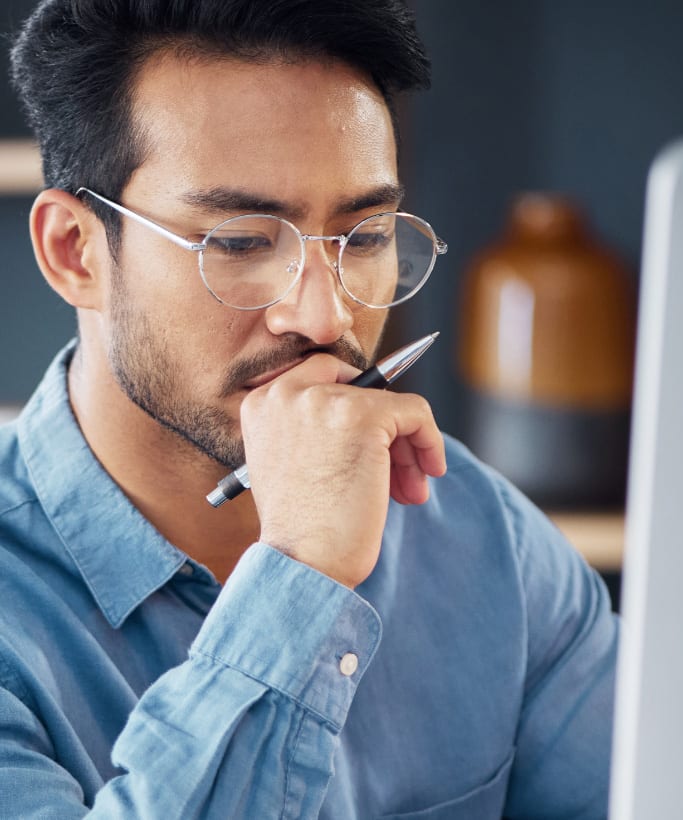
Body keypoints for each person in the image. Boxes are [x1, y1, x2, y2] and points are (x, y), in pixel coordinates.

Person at [0, 1, 618, 817]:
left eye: (363, 238)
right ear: (74, 252)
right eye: (243, 243)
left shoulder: (486, 541)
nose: (325, 320)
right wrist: (298, 576)